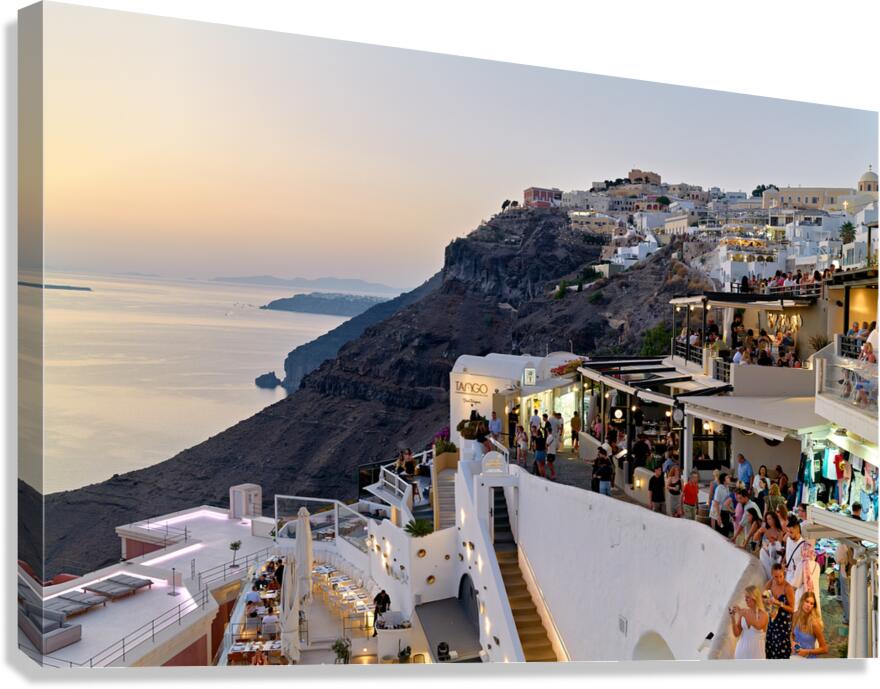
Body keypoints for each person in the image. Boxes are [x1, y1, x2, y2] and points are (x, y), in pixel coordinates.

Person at [764, 562, 796, 659]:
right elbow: (763, 595)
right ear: (772, 575)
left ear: (784, 574)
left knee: (781, 652)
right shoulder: (771, 583)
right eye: (776, 577)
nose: (778, 579)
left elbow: (792, 609)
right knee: (770, 649)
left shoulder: (788, 588)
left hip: (783, 625)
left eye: (781, 576)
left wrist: (779, 603)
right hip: (772, 622)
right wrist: (767, 601)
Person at [730, 585, 768, 659]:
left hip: (757, 653)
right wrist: (733, 618)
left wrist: (741, 612)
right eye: (745, 597)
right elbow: (736, 634)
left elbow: (758, 625)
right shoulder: (744, 612)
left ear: (754, 598)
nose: (745, 599)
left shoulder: (763, 615)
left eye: (747, 597)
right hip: (741, 652)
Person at [790, 592, 828, 658]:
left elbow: (825, 649)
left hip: (808, 658)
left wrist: (807, 652)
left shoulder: (814, 624)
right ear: (802, 601)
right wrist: (792, 642)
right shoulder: (795, 615)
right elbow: (792, 633)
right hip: (795, 656)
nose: (808, 605)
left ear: (813, 606)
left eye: (811, 603)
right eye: (807, 601)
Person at [834, 540, 854, 626]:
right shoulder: (854, 544)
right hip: (852, 572)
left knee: (845, 595)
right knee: (850, 595)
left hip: (844, 571)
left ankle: (848, 618)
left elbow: (838, 559)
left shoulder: (843, 544)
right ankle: (851, 615)